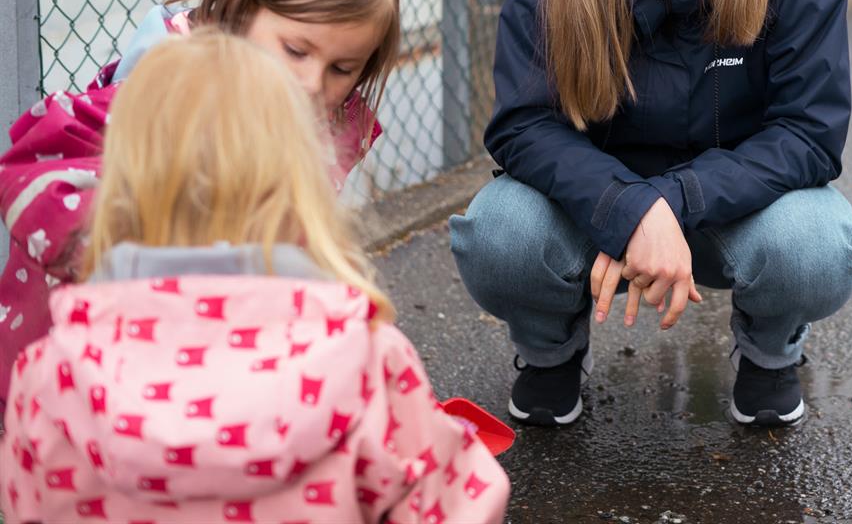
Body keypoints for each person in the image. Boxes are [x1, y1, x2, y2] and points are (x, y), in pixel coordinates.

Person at [450, 0, 852, 428]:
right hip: (593, 205)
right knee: (501, 231)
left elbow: (809, 136)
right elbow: (523, 125)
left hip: (735, 207)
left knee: (817, 244)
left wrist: (665, 203)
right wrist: (624, 208)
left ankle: (768, 354)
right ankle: (549, 353)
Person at [0, 31, 509, 523]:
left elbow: (27, 502)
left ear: (119, 188)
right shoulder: (367, 359)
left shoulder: (51, 370)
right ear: (302, 186)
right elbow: (460, 502)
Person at [0, 0, 401, 410]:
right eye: (296, 50)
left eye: (343, 68)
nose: (314, 83)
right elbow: (42, 180)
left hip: (199, 366)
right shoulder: (168, 87)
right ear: (241, 12)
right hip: (87, 371)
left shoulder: (317, 117)